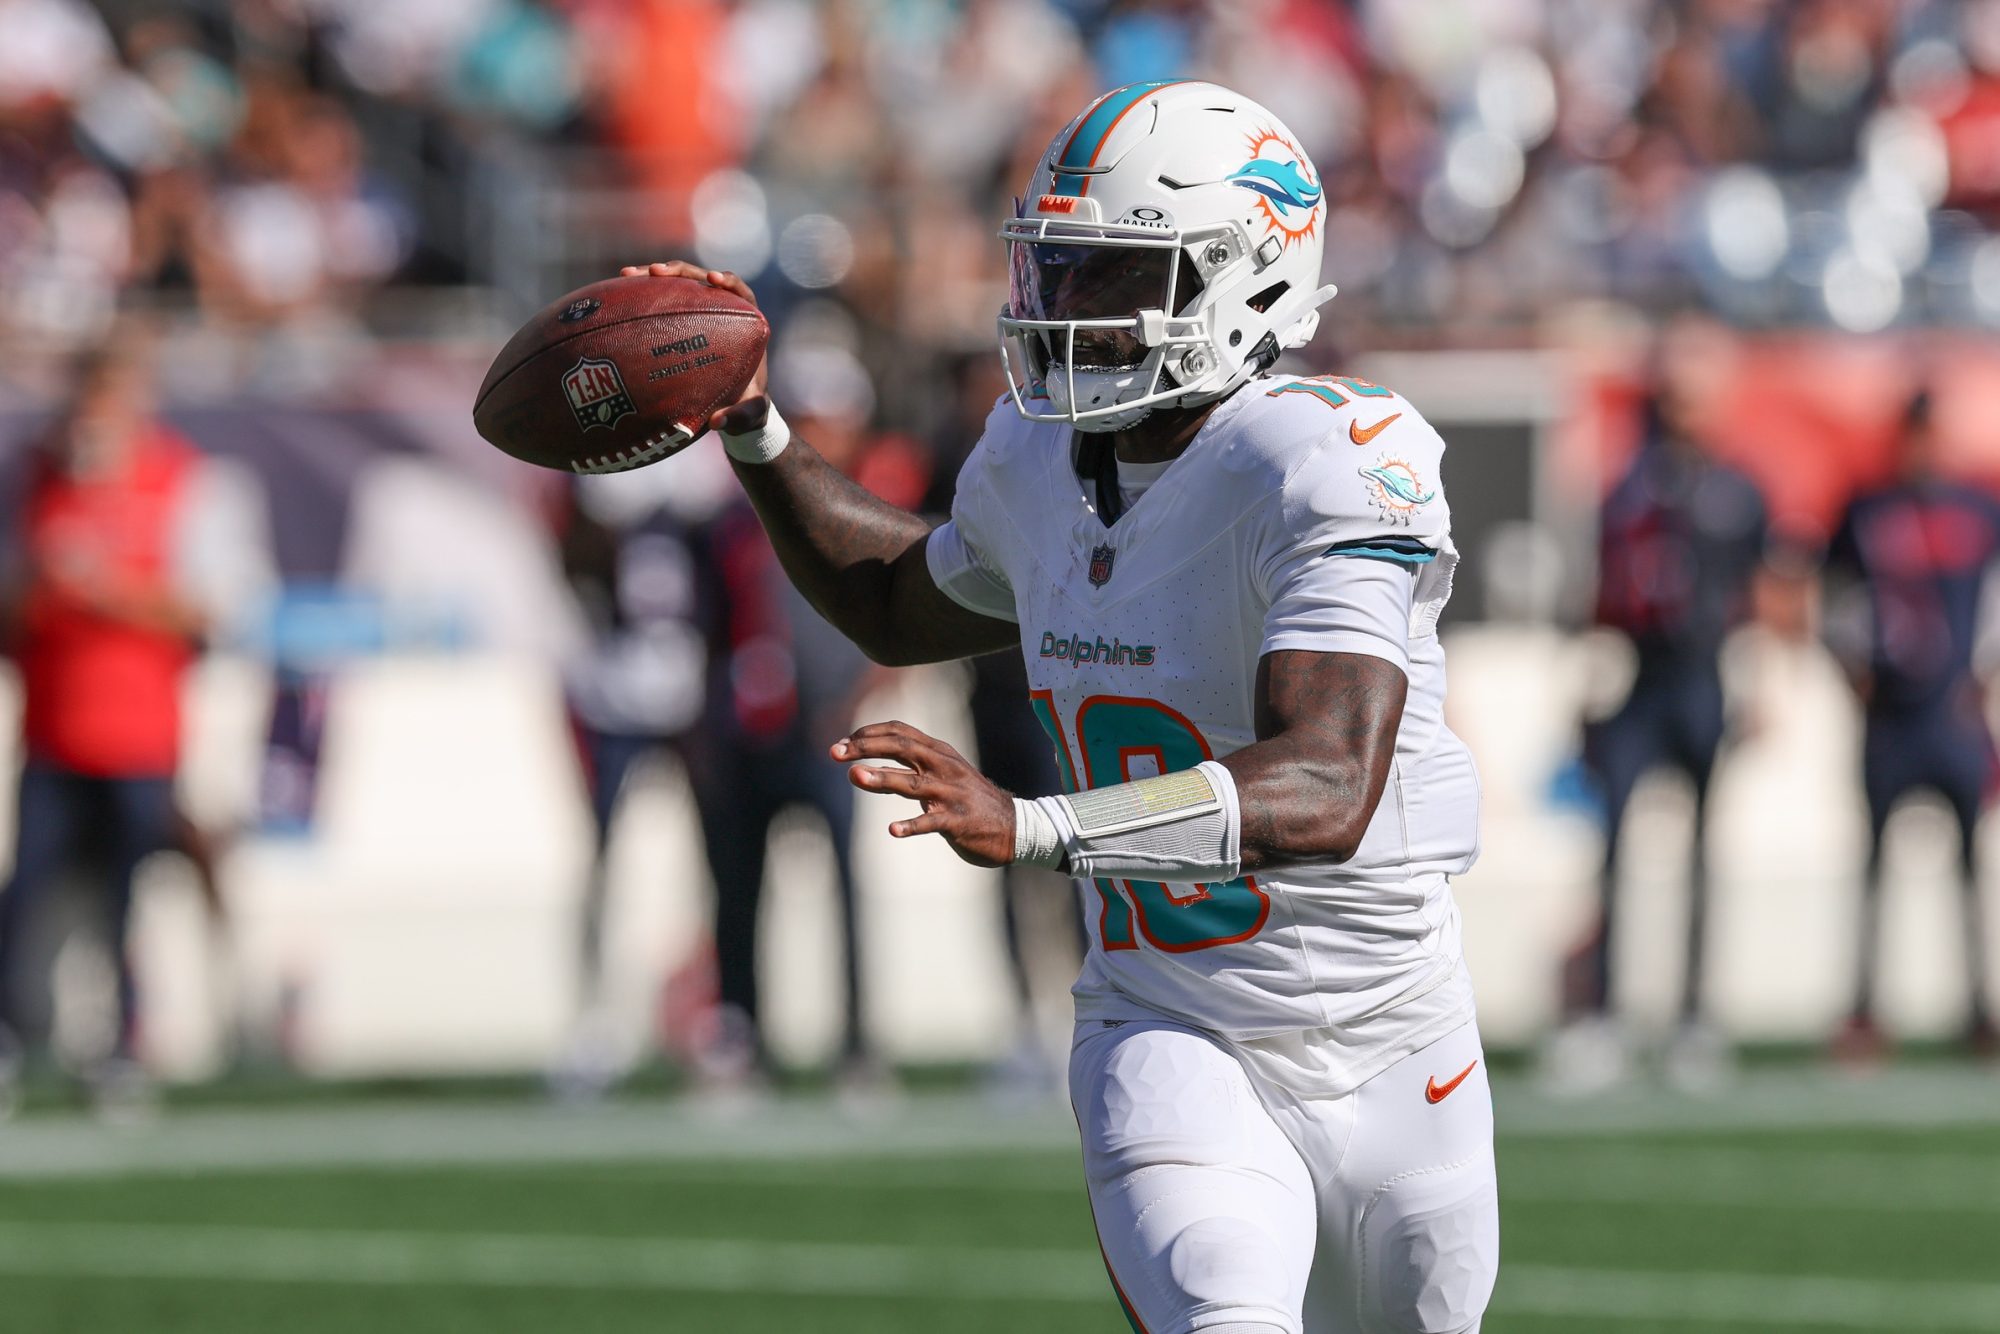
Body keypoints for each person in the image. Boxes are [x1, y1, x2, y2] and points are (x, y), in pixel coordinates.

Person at [615, 79, 1492, 1334]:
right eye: (1058, 269)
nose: (1062, 308)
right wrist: (752, 427)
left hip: (1396, 1033)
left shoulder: (1330, 458)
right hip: (1173, 1023)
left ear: (1242, 277)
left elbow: (1329, 780)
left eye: (1110, 276)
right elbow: (897, 600)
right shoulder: (1038, 456)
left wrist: (1038, 825)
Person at [0, 334, 270, 1117]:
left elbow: (214, 608)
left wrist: (106, 589)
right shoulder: (35, 481)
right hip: (52, 729)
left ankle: (122, 1045)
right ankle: (16, 1037)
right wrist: (40, 586)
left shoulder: (184, 481)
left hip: (144, 735)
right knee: (29, 890)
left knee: (125, 899)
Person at [1546, 325, 1769, 1094]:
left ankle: (1694, 1018)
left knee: (1704, 854)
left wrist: (1761, 682)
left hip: (1702, 674)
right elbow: (1600, 592)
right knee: (1612, 851)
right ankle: (1602, 1015)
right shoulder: (1630, 484)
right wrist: (1586, 680)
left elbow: (1757, 593)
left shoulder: (1736, 488)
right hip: (1640, 675)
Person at [1821, 389, 2000, 1063]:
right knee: (1872, 866)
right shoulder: (1867, 512)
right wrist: (1848, 669)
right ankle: (1865, 1007)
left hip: (1951, 714)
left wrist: (1983, 679)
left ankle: (1980, 1008)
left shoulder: (1977, 511)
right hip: (1891, 717)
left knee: (1970, 868)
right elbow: (1834, 593)